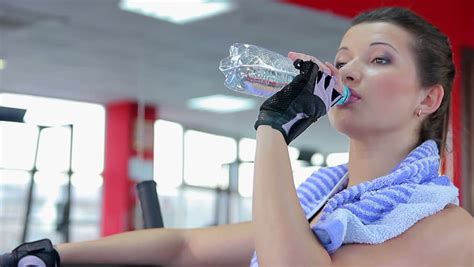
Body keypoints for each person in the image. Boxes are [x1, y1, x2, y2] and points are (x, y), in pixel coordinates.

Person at [3, 6, 473, 267]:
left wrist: (274, 130)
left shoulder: (452, 232)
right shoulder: (323, 209)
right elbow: (182, 247)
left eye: (379, 59)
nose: (347, 72)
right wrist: (48, 255)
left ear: (428, 99)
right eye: (343, 58)